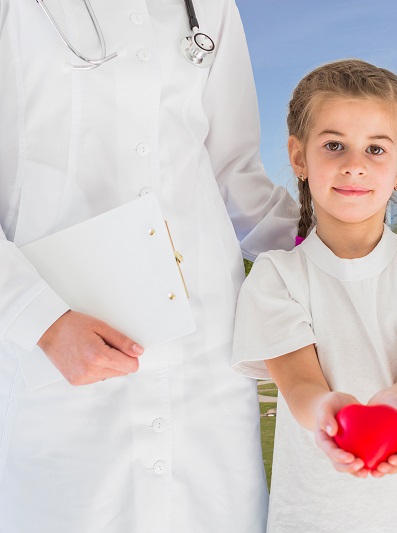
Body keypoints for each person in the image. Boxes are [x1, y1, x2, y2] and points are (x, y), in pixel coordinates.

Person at [0, 1, 297, 531]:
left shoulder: (209, 8)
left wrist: (336, 248)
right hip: (54, 347)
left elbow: (233, 173)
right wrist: (36, 316)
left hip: (203, 358)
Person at [232, 59, 397, 532]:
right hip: (312, 519)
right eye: (334, 145)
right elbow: (300, 386)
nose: (354, 165)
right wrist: (329, 411)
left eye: (375, 149)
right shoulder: (274, 275)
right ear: (299, 157)